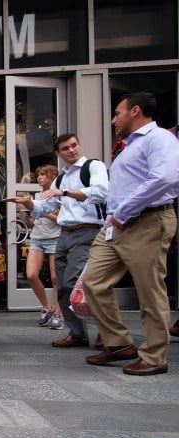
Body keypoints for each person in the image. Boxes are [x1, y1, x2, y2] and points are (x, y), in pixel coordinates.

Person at [83, 92, 179, 376]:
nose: (114, 119)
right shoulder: (129, 145)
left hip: (147, 220)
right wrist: (116, 216)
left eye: (117, 113)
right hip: (118, 223)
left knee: (150, 291)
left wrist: (124, 212)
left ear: (135, 111)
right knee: (93, 281)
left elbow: (163, 178)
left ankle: (154, 356)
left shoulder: (159, 139)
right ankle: (118, 342)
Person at [4, 133, 108, 348]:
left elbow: (100, 193)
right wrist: (28, 203)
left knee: (76, 283)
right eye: (66, 148)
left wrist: (65, 192)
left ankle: (107, 330)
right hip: (65, 233)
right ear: (58, 153)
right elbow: (45, 208)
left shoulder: (92, 167)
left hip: (88, 231)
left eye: (74, 145)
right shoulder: (61, 177)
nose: (72, 150)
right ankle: (78, 333)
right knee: (62, 287)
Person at [24, 165, 63, 329]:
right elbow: (33, 221)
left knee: (55, 278)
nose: (39, 178)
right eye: (38, 175)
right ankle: (47, 307)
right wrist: (28, 216)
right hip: (38, 237)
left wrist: (42, 210)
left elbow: (60, 219)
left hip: (55, 238)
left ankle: (59, 313)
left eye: (43, 175)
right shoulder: (36, 196)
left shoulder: (58, 196)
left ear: (52, 177)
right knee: (31, 275)